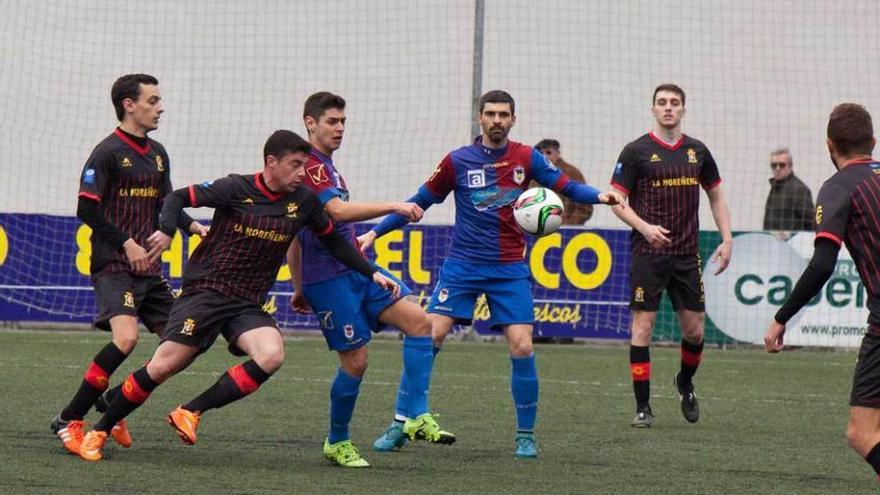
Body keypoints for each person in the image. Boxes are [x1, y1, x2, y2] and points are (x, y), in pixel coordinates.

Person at [76, 130, 399, 461]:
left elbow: (335, 243)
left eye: (304, 165)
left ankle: (191, 411)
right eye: (296, 165)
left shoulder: (303, 201)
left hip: (245, 302)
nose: (302, 173)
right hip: (206, 292)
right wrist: (169, 231)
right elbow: (175, 198)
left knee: (271, 354)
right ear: (271, 162)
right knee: (163, 366)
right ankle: (99, 430)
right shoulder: (234, 188)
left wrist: (370, 271)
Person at [359, 90, 623, 458]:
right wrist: (373, 233)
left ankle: (525, 436)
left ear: (513, 119)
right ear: (479, 118)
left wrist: (601, 197)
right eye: (490, 114)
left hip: (509, 269)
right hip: (462, 267)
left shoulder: (527, 157)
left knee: (523, 345)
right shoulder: (457, 161)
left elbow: (567, 187)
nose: (497, 120)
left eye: (504, 114)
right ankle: (403, 422)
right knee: (427, 336)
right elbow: (417, 201)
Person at [287, 92, 454, 468]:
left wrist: (296, 287)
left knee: (419, 322)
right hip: (328, 279)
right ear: (310, 123)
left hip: (356, 269)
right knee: (357, 362)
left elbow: (299, 235)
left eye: (343, 121)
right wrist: (394, 205)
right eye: (332, 121)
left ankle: (415, 414)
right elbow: (337, 211)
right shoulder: (310, 168)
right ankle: (337, 441)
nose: (340, 128)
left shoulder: (329, 168)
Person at [51, 74, 208, 455]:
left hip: (148, 271)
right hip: (113, 263)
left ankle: (113, 401)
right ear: (129, 104)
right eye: (153, 100)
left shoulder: (157, 153)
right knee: (126, 339)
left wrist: (191, 226)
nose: (160, 107)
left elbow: (164, 203)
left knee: (188, 342)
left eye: (159, 100)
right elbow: (85, 207)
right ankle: (69, 419)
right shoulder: (106, 152)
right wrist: (126, 242)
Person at [765, 103, 880, 480]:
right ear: (874, 142)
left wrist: (782, 317)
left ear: (829, 145)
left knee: (862, 434)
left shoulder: (837, 189)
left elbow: (822, 265)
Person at [610, 83, 732, 428]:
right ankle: (642, 407)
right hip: (648, 254)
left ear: (683, 109)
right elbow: (616, 199)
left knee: (694, 332)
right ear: (653, 109)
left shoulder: (698, 151)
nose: (668, 108)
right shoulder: (635, 151)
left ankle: (684, 381)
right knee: (642, 327)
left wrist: (726, 239)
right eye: (662, 102)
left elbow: (717, 196)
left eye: (674, 103)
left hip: (686, 255)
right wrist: (645, 227)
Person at [533, 139, 593, 225]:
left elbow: (585, 207)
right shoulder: (533, 174)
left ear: (557, 153)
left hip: (564, 231)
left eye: (548, 153)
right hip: (535, 229)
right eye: (540, 154)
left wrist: (568, 226)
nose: (544, 157)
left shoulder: (571, 173)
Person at [763, 147, 814, 231]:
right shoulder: (775, 187)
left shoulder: (799, 189)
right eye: (774, 165)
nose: (777, 168)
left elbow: (811, 222)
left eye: (782, 165)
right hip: (772, 241)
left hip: (792, 242)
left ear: (790, 166)